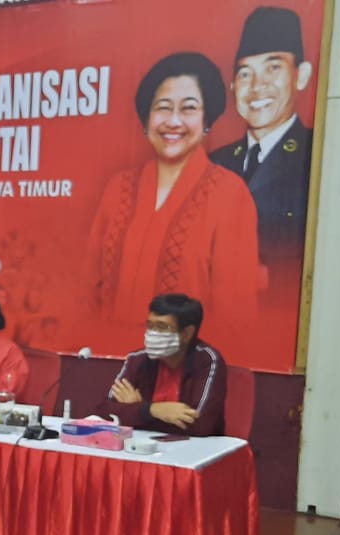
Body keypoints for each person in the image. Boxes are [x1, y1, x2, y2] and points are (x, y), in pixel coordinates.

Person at [87, 51, 261, 369]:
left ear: (207, 121)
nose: (174, 121)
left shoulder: (229, 194)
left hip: (185, 371)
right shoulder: (118, 188)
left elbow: (235, 314)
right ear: (146, 119)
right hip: (107, 361)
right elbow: (90, 287)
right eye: (163, 108)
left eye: (189, 108)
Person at [209, 6, 313, 339]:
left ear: (302, 75)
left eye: (273, 67)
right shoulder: (214, 164)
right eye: (245, 73)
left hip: (278, 330)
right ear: (232, 86)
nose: (257, 86)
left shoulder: (315, 154)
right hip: (215, 323)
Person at [94, 294, 226, 437]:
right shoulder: (138, 359)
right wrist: (152, 410)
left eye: (162, 327)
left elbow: (201, 425)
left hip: (194, 451)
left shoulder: (207, 360)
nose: (152, 333)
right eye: (150, 326)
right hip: (143, 446)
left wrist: (136, 411)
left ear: (187, 333)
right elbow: (104, 412)